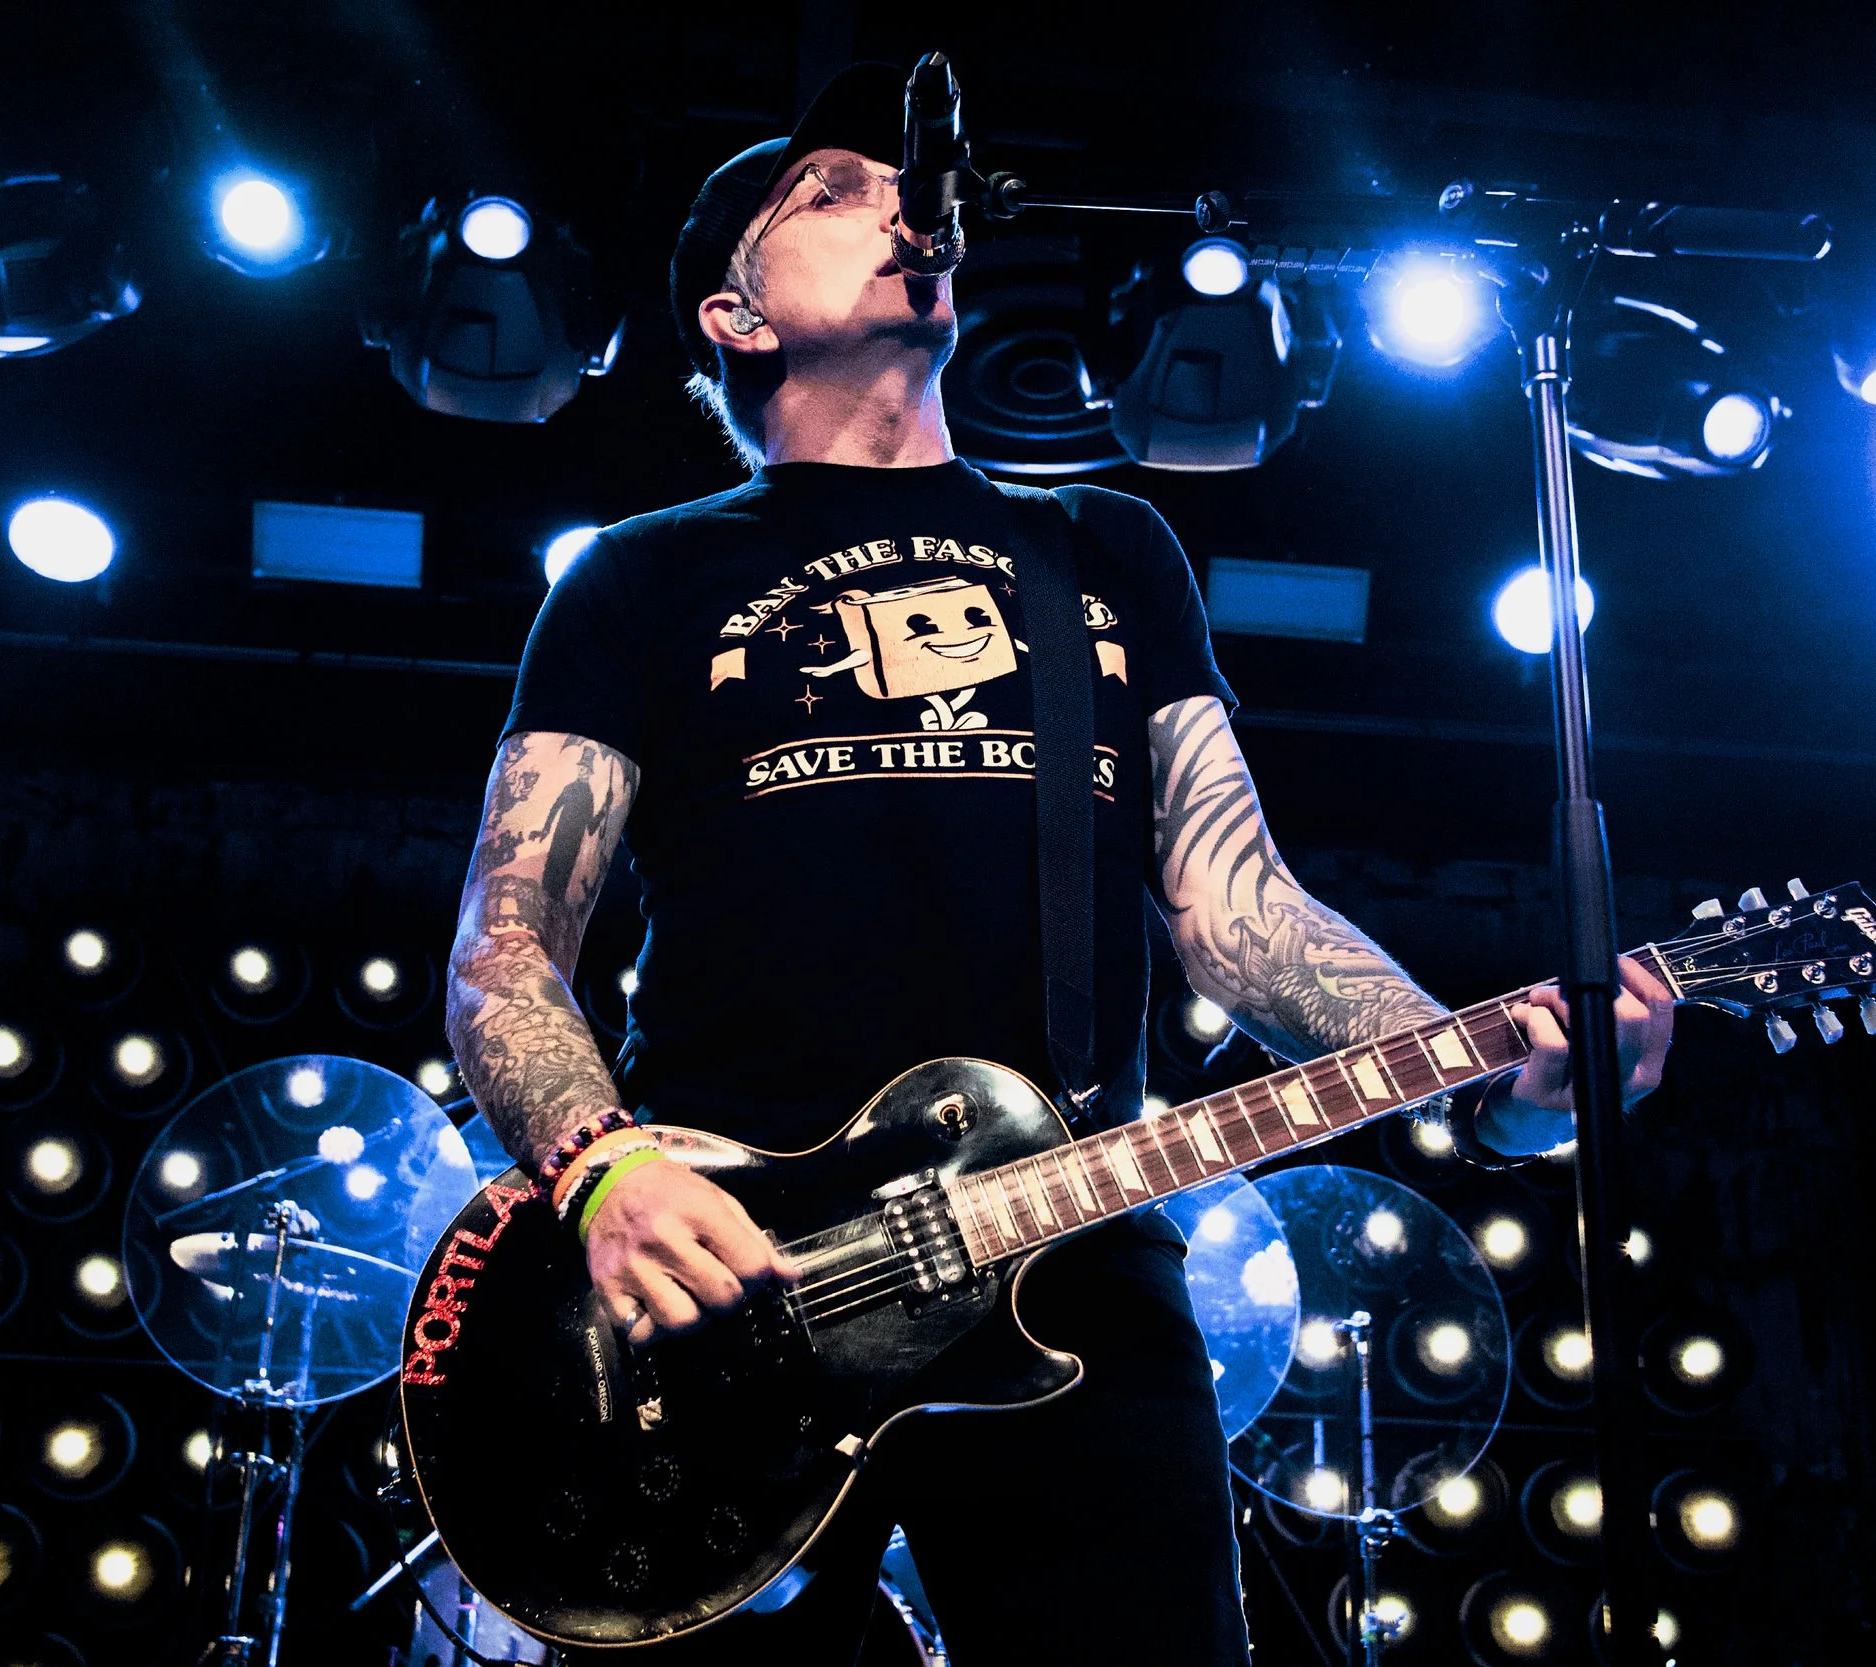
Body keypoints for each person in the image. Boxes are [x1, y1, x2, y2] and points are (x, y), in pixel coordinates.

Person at [445, 62, 1676, 1666]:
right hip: (730, 1285)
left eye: (895, 183)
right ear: (734, 316)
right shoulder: (642, 577)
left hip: (1075, 1251)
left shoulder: (1102, 549)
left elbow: (1239, 914)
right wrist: (603, 1167)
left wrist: (1491, 1067)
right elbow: (506, 944)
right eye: (825, 190)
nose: (895, 197)